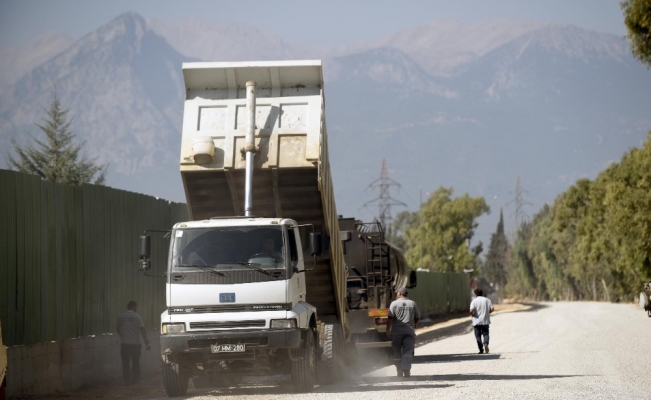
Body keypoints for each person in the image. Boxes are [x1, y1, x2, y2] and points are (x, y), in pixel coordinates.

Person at [387, 287, 420, 377]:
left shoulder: (394, 304)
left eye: (397, 293)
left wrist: (388, 330)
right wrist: (414, 326)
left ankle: (399, 371)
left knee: (397, 352)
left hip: (396, 333)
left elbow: (390, 318)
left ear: (400, 294)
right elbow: (417, 318)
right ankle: (406, 370)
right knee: (408, 351)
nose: (396, 294)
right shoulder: (412, 303)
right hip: (409, 332)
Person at [116, 301, 150, 385]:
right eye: (136, 307)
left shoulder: (121, 316)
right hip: (135, 344)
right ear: (134, 307)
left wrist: (122, 336)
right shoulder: (138, 317)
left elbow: (117, 328)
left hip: (124, 344)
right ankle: (135, 380)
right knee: (135, 362)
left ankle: (127, 380)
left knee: (125, 363)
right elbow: (142, 330)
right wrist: (147, 342)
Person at [469, 288, 494, 354]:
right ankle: (485, 343)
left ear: (475, 294)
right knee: (486, 334)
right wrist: (488, 313)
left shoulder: (474, 301)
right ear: (482, 293)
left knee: (478, 336)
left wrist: (472, 314)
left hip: (476, 321)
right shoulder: (487, 300)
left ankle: (481, 349)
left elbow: (471, 310)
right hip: (485, 321)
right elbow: (492, 309)